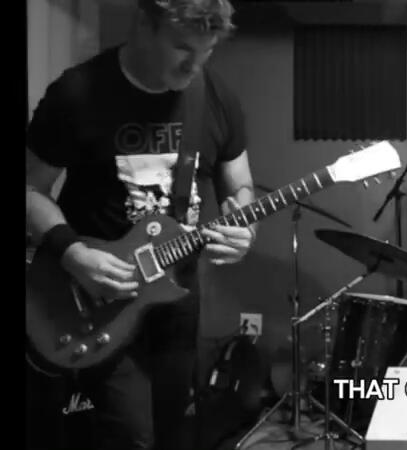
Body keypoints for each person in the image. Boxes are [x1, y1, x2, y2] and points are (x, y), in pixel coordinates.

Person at [25, 1, 255, 449]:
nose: (194, 64)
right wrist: (73, 254)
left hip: (176, 302)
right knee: (130, 438)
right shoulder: (78, 93)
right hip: (97, 300)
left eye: (206, 51)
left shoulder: (216, 97)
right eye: (182, 47)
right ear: (144, 24)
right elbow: (30, 188)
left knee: (172, 435)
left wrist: (242, 229)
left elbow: (241, 184)